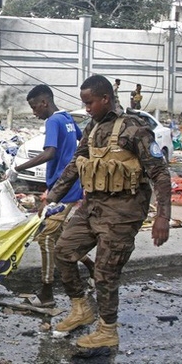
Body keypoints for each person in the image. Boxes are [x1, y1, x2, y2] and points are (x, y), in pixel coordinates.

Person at [43, 75, 171, 348]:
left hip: (124, 211)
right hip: (94, 206)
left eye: (90, 102)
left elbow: (160, 173)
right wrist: (52, 197)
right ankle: (81, 309)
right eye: (84, 103)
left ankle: (107, 330)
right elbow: (76, 164)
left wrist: (163, 216)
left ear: (105, 99)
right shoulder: (92, 128)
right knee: (64, 251)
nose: (87, 108)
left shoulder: (135, 129)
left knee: (105, 272)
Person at [4, 84, 94, 308]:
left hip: (63, 190)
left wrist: (18, 168)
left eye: (35, 107)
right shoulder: (67, 117)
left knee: (44, 238)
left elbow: (49, 152)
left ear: (44, 102)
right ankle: (92, 269)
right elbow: (83, 140)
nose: (34, 112)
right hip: (67, 185)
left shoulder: (53, 120)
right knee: (60, 235)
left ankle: (46, 294)